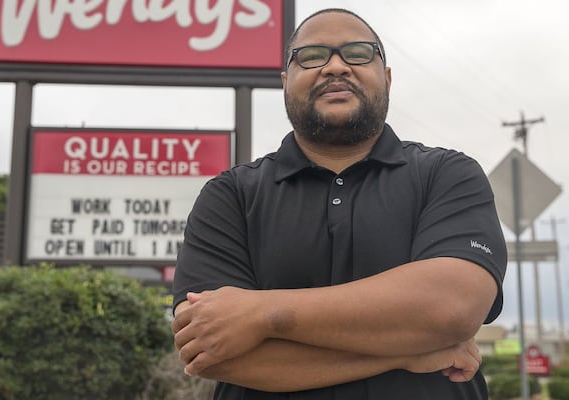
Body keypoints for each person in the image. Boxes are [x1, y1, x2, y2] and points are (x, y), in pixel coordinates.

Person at [171, 7, 507, 400]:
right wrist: (410, 353)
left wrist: (260, 314)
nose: (335, 67)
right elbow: (209, 353)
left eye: (358, 53)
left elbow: (452, 306)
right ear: (285, 82)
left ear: (387, 77)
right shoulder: (230, 195)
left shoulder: (447, 174)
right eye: (311, 56)